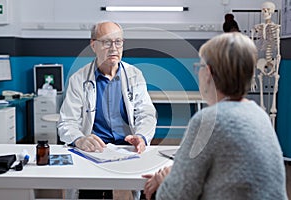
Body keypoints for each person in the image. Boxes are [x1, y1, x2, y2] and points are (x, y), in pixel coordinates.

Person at [142, 32, 287, 200]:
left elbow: (173, 196)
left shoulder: (210, 120)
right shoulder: (259, 115)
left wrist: (166, 180)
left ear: (208, 73)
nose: (198, 73)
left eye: (199, 66)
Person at [57, 21, 157, 199]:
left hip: (126, 149)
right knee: (90, 192)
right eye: (106, 42)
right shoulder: (78, 79)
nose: (113, 48)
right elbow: (67, 122)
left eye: (118, 42)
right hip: (94, 151)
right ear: (93, 45)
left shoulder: (135, 75)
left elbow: (146, 113)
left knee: (145, 187)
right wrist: (79, 139)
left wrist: (141, 136)